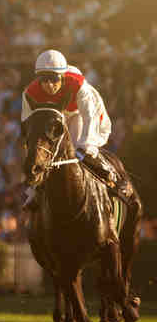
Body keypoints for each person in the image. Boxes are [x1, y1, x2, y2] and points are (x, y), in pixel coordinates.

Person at [21, 49, 126, 209]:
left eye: (54, 79)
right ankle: (35, 190)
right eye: (44, 79)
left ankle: (109, 176)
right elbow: (27, 125)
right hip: (57, 116)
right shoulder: (30, 93)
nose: (49, 84)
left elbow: (89, 116)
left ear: (62, 77)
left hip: (81, 114)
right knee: (46, 154)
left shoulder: (78, 85)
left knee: (79, 147)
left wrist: (85, 146)